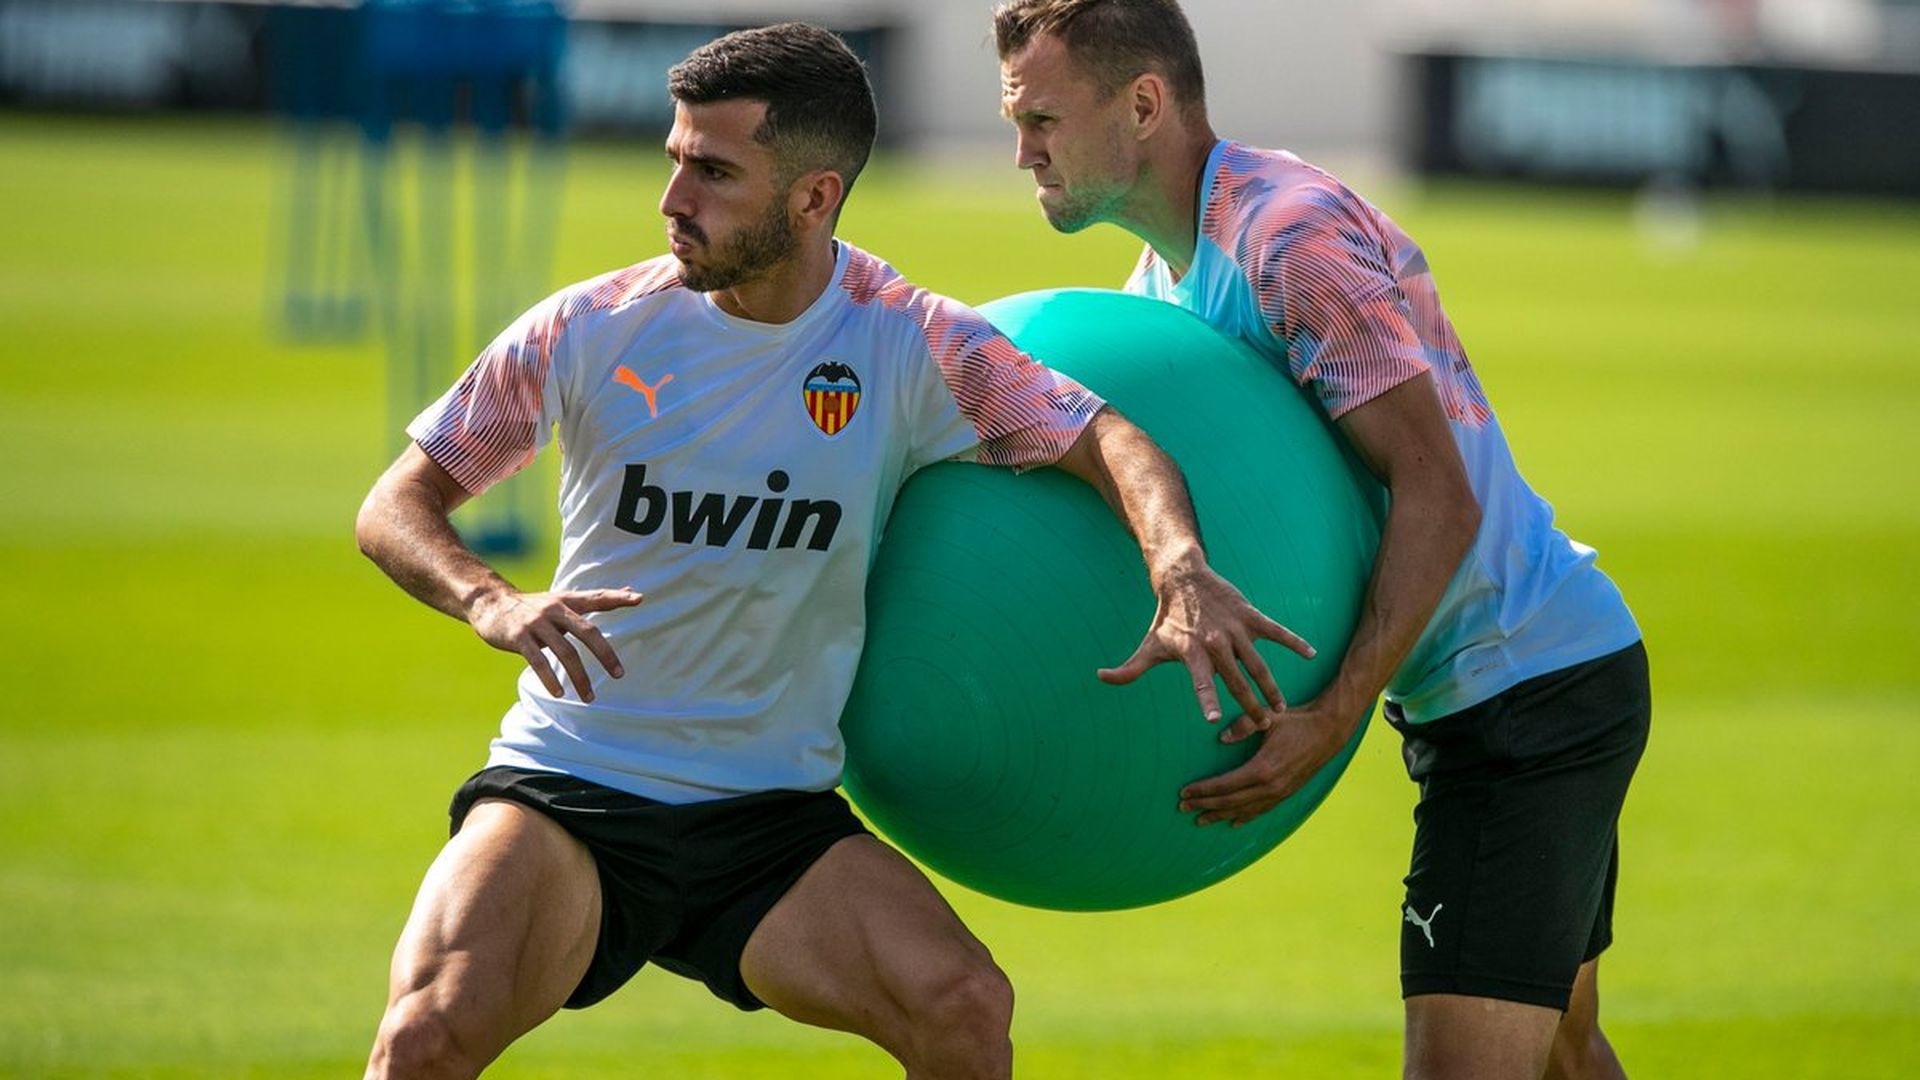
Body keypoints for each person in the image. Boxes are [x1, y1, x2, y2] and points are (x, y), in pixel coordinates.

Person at [354, 21, 1306, 1080]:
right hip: (576, 786)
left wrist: (1179, 568)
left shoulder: (906, 339)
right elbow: (398, 505)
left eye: (713, 173)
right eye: (675, 163)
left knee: (962, 1005)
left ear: (814, 198)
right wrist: (490, 600)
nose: (673, 201)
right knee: (425, 1037)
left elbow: (1111, 439)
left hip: (767, 820)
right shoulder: (590, 329)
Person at [990, 3, 1651, 1078]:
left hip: (1530, 694)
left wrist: (1332, 716)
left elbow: (1439, 494)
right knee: (1565, 1051)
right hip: (1503, 686)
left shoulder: (1286, 243)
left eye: (1043, 119)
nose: (1023, 151)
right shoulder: (1168, 281)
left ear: (1144, 103)